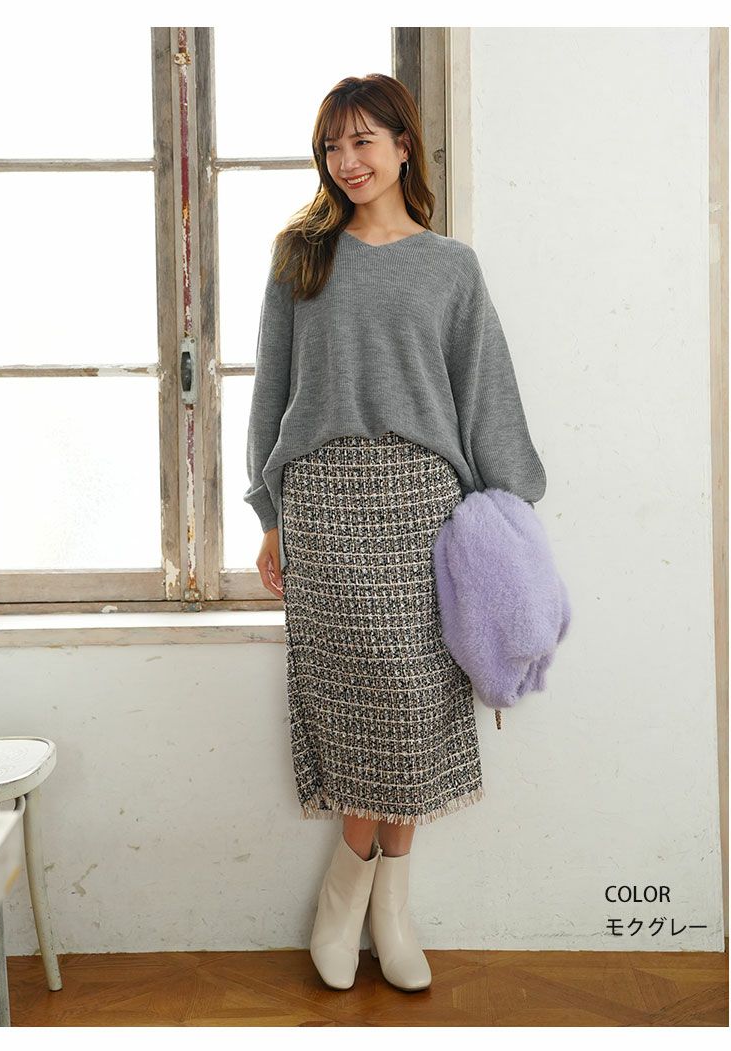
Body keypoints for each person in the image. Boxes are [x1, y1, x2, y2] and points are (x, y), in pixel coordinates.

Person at [244, 74, 546, 993]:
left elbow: (485, 392)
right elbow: (270, 393)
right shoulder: (302, 256)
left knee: (417, 708)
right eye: (333, 146)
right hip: (326, 504)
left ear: (404, 145)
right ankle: (351, 900)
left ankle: (384, 904)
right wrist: (270, 515)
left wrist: (512, 511)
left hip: (424, 508)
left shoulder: (451, 267)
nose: (348, 161)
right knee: (357, 706)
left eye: (364, 140)